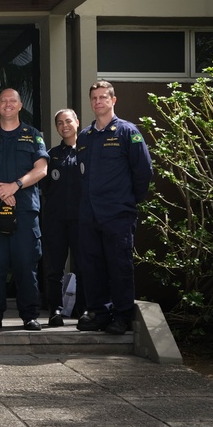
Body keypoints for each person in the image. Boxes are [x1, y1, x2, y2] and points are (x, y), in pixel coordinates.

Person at [75, 80, 153, 335]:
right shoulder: (85, 137)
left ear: (113, 100)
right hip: (90, 214)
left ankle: (121, 315)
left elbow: (143, 172)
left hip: (118, 214)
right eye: (94, 98)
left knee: (119, 266)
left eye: (103, 97)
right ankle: (98, 312)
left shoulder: (128, 132)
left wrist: (129, 201)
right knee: (92, 266)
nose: (98, 102)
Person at [0, 88, 49, 331]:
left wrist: (15, 186)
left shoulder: (33, 135)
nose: (7, 104)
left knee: (25, 264)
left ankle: (29, 315)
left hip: (25, 212)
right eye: (3, 101)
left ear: (19, 106)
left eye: (12, 101)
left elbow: (41, 169)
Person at [40, 108, 83, 327]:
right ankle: (55, 310)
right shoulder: (51, 155)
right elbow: (45, 186)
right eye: (59, 123)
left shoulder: (87, 152)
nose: (64, 126)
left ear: (77, 122)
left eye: (68, 121)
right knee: (54, 268)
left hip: (81, 220)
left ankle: (84, 310)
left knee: (84, 265)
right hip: (55, 220)